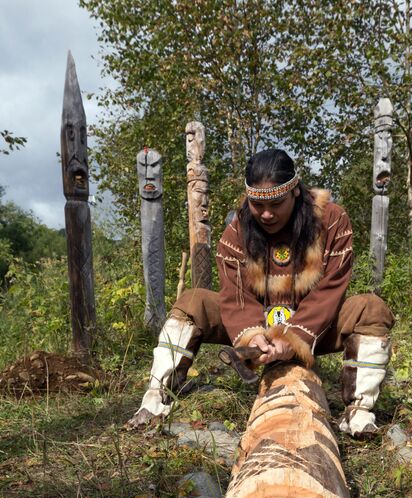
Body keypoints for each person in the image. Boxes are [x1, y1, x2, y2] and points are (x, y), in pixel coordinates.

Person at [128, 148, 394, 436]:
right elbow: (234, 293)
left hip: (317, 325)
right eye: (257, 204)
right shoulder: (237, 230)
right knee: (193, 301)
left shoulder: (331, 220)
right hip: (259, 323)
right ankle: (156, 398)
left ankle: (359, 410)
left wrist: (293, 337)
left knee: (371, 308)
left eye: (276, 204)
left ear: (294, 191)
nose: (266, 214)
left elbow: (331, 288)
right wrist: (253, 335)